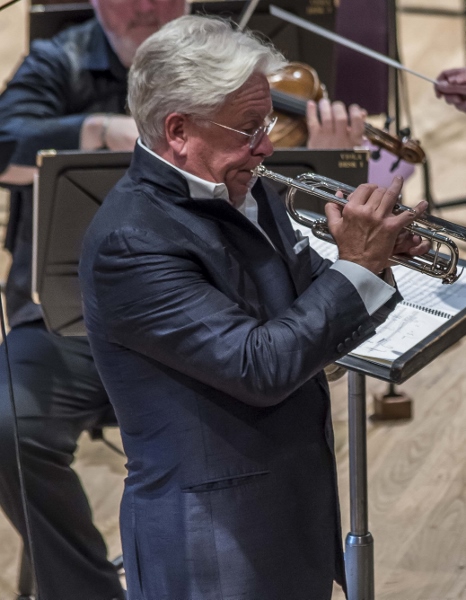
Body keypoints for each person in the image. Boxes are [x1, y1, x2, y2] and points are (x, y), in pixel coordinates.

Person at [79, 15, 430, 600]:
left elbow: (306, 297)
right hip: (212, 545)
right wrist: (357, 268)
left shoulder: (242, 184)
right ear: (178, 130)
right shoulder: (131, 242)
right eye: (249, 127)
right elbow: (258, 367)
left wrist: (378, 259)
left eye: (266, 121)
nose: (267, 145)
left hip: (286, 506)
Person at [0, 1, 187, 599]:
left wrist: (314, 143)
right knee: (6, 427)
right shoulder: (61, 60)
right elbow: (4, 143)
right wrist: (99, 130)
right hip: (66, 321)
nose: (145, 8)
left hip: (194, 319)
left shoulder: (215, 63)